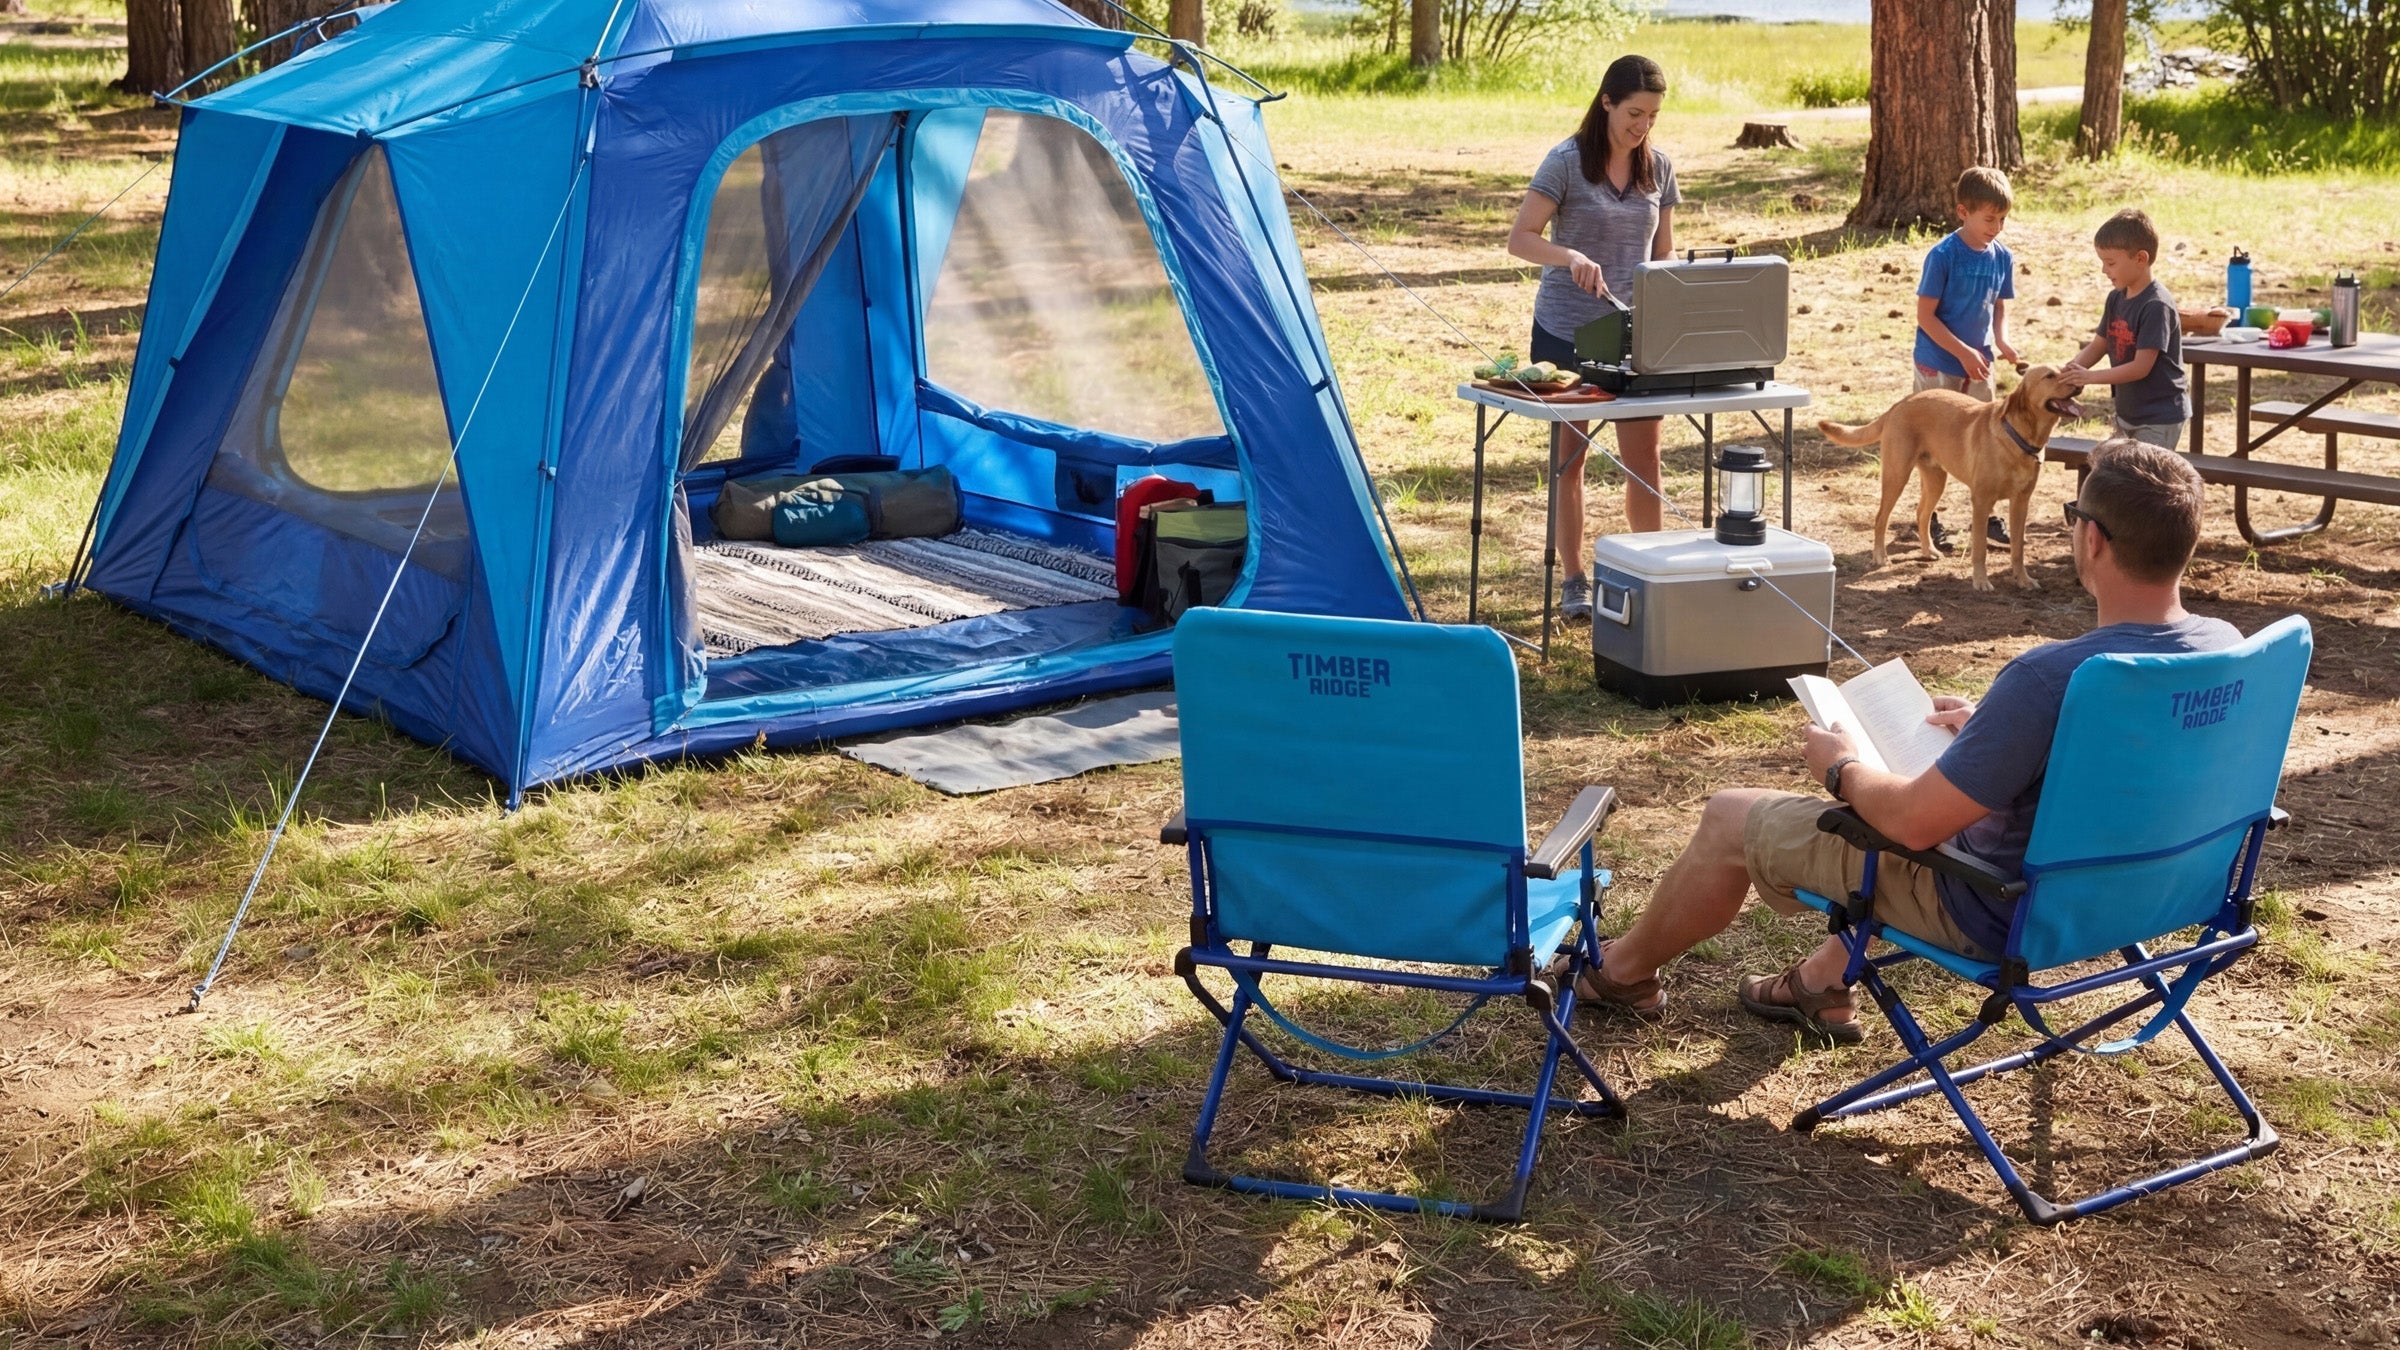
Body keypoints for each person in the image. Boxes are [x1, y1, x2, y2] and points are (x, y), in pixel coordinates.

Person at [1573, 440, 2237, 1042]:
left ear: (2090, 539)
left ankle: (1619, 976)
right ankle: (1820, 983)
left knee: (1729, 819)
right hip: (2153, 896)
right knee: (1918, 817)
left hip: (1998, 910)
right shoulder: (2225, 651)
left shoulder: (2049, 679)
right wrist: (1997, 733)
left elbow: (1913, 826)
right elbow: (2122, 765)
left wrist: (1842, 770)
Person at [1506, 54, 1679, 622]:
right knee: (1570, 461)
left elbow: (1664, 257)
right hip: (1565, 332)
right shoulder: (1565, 162)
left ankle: (1646, 572)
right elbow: (1522, 238)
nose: (1643, 126)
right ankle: (1574, 579)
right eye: (1634, 113)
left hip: (1634, 337)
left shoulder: (1660, 169)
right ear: (1606, 101)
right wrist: (1570, 256)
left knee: (1644, 461)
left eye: (1652, 115)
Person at [1910, 166, 2021, 555]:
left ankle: (1987, 517)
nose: (1997, 227)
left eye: (2003, 219)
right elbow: (1926, 316)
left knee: (1986, 445)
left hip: (1980, 364)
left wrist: (2003, 342)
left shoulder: (2001, 256)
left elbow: (1999, 306)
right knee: (1935, 448)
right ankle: (1929, 518)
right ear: (1963, 212)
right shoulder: (1943, 256)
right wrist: (1962, 352)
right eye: (1989, 218)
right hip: (1938, 362)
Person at [2060, 209, 2190, 451]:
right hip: (2128, 413)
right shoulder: (2116, 299)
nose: (2104, 270)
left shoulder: (2156, 305)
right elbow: (2099, 345)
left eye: (2110, 263)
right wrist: (2071, 370)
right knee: (2121, 477)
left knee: (2142, 483)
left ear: (2141, 258)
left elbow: (2141, 368)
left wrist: (2090, 377)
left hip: (2159, 418)